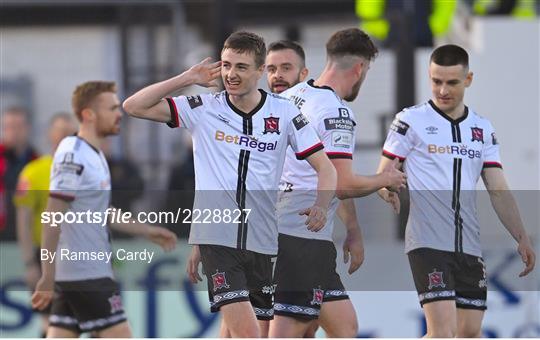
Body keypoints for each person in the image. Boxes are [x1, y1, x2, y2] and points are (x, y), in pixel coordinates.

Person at [123, 31, 337, 338]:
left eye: (240, 67)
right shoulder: (203, 108)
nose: (230, 74)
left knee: (242, 333)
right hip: (219, 238)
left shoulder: (285, 112)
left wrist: (320, 204)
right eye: (226, 65)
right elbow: (133, 106)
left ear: (260, 70)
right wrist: (186, 77)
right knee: (248, 335)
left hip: (263, 241)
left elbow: (326, 168)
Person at [377, 44, 536, 337]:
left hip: (469, 247)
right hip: (428, 242)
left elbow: (498, 189)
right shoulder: (410, 120)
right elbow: (385, 169)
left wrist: (522, 236)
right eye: (436, 81)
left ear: (468, 79)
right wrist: (387, 188)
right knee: (442, 333)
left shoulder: (482, 128)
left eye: (451, 82)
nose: (442, 90)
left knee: (470, 333)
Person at [268, 29, 407, 338]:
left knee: (344, 327)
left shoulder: (291, 96)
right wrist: (385, 178)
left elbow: (330, 178)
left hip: (295, 234)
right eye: (367, 71)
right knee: (291, 329)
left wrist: (354, 231)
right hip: (299, 236)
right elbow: (342, 184)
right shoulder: (337, 111)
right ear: (360, 68)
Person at [31, 81, 177, 337]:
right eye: (112, 108)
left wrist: (146, 230)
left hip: (81, 274)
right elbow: (53, 215)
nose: (119, 114)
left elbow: (101, 210)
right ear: (88, 114)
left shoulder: (94, 154)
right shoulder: (73, 154)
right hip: (86, 275)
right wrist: (47, 275)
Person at [14, 112, 77, 336]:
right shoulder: (35, 171)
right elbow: (24, 218)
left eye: (70, 133)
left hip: (78, 254)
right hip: (46, 255)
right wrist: (30, 261)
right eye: (60, 132)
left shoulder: (86, 170)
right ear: (50, 135)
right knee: (50, 321)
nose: (64, 137)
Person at [0, 107, 39, 238]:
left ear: (28, 128)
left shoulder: (37, 162)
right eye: (9, 127)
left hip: (29, 233)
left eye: (18, 126)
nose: (13, 132)